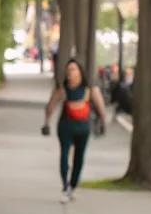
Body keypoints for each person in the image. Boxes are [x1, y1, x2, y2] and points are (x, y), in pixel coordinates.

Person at [42, 57, 107, 201]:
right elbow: (51, 105)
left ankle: (73, 185)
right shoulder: (62, 89)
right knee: (64, 154)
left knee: (79, 158)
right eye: (68, 70)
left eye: (73, 69)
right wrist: (46, 122)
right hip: (65, 126)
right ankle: (65, 185)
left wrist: (103, 122)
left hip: (83, 128)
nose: (70, 73)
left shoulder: (90, 89)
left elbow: (101, 107)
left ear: (80, 72)